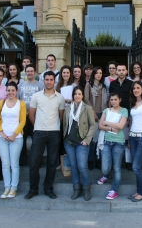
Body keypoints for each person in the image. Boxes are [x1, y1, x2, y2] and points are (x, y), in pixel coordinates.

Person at [25, 71, 65, 200]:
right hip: (39, 132)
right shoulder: (36, 96)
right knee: (34, 162)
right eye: (46, 79)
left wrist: (55, 126)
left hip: (54, 132)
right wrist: (38, 125)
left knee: (52, 162)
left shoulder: (60, 97)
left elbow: (61, 116)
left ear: (55, 81)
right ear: (44, 81)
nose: (48, 81)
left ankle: (48, 189)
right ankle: (33, 189)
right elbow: (31, 114)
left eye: (51, 79)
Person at [0, 82, 26, 198]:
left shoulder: (21, 104)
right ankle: (7, 187)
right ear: (5, 91)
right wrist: (1, 132)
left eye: (13, 90)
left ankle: (14, 188)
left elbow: (23, 121)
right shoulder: (2, 103)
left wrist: (14, 134)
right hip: (2, 137)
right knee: (5, 164)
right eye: (8, 90)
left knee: (14, 164)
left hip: (16, 138)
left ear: (16, 91)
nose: (10, 92)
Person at [63, 86, 95, 201]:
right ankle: (76, 188)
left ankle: (86, 188)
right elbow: (64, 124)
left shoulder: (87, 108)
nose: (77, 96)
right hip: (69, 142)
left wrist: (87, 140)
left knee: (82, 166)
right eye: (75, 94)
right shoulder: (68, 108)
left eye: (79, 94)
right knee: (73, 166)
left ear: (82, 96)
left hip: (82, 142)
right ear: (73, 96)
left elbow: (92, 125)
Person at [97, 92, 128, 200]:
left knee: (116, 168)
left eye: (115, 99)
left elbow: (120, 125)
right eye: (111, 100)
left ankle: (114, 190)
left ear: (120, 99)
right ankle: (105, 175)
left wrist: (106, 122)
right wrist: (111, 128)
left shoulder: (124, 111)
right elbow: (100, 125)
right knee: (105, 168)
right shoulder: (106, 110)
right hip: (106, 141)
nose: (113, 102)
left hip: (118, 143)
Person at [17, 64, 44, 166]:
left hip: (36, 117)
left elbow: (42, 100)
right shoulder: (21, 85)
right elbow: (18, 100)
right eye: (27, 71)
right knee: (22, 140)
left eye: (31, 71)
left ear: (35, 72)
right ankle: (22, 161)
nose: (29, 73)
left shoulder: (40, 85)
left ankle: (36, 161)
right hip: (23, 117)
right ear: (25, 72)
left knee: (36, 140)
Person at [84, 66, 107, 170]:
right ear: (93, 74)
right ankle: (90, 161)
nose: (99, 75)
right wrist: (92, 112)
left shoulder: (103, 86)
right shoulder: (88, 85)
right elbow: (86, 99)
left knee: (100, 140)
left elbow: (107, 102)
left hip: (102, 115)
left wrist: (104, 114)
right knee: (92, 140)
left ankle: (99, 161)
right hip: (91, 114)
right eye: (97, 73)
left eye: (100, 73)